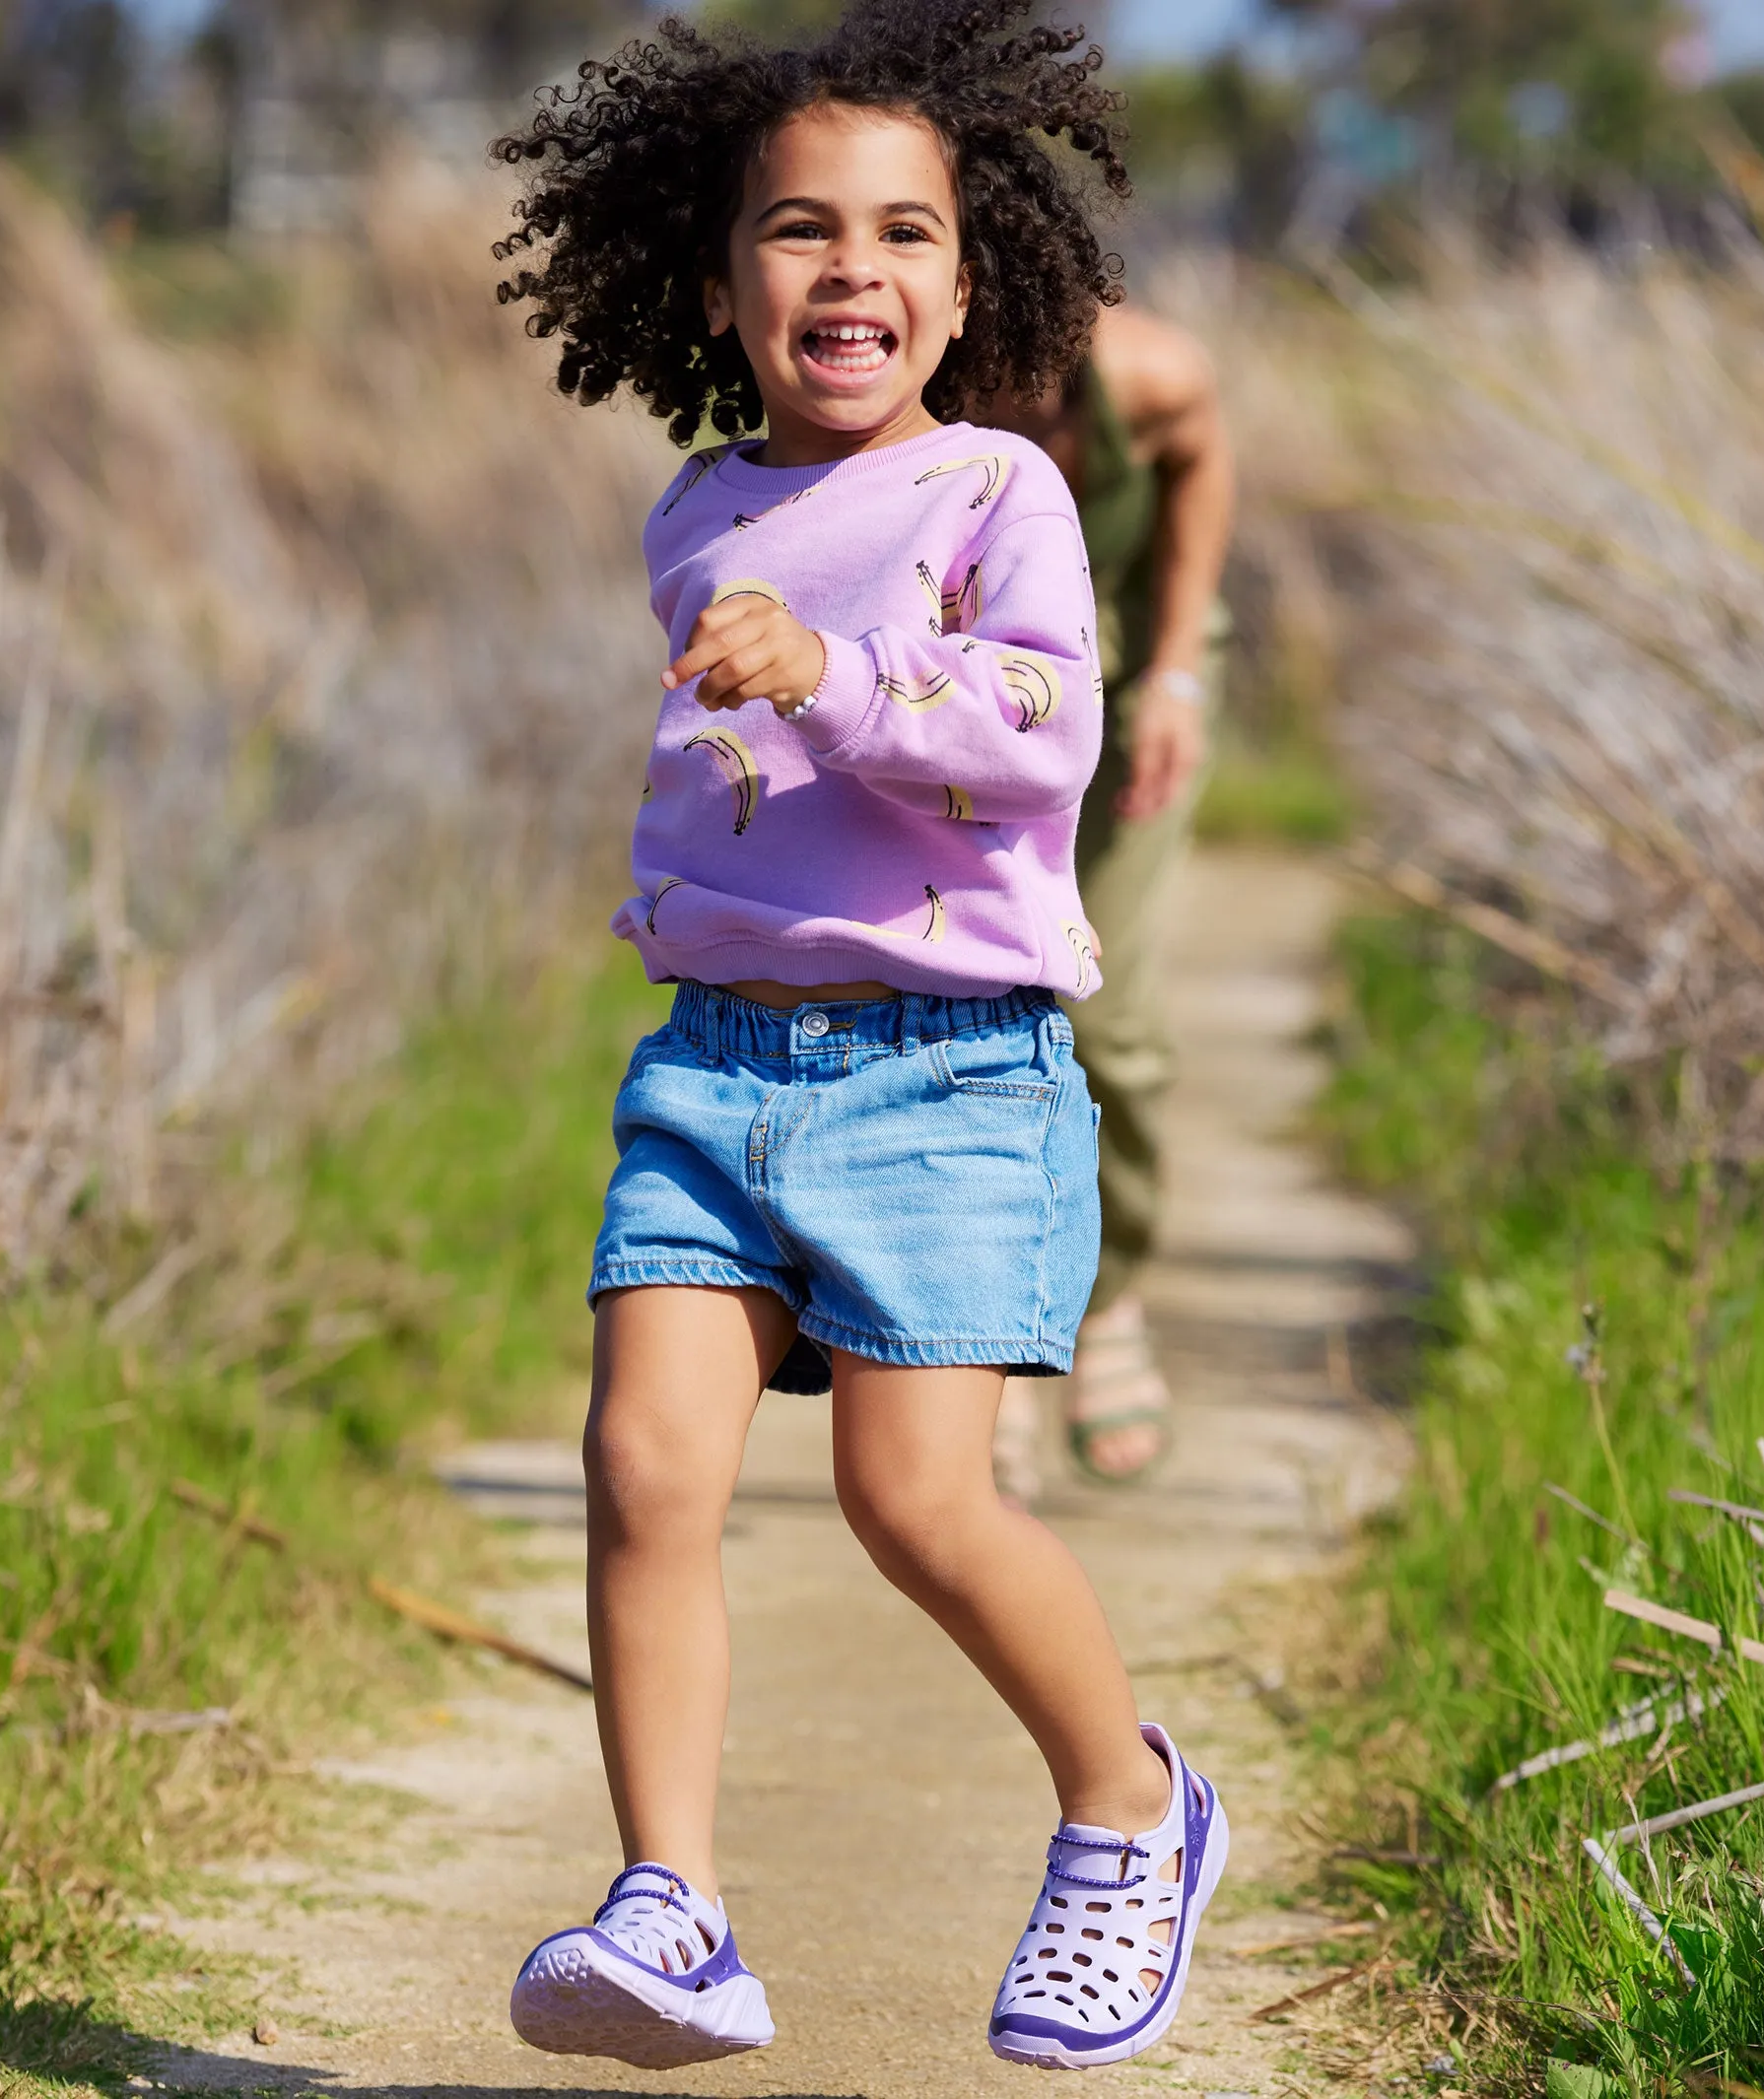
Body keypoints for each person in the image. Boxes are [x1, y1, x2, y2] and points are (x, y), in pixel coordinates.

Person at [488, 2, 1227, 2075]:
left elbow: (1037, 737)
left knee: (920, 1505)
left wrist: (831, 670)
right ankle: (676, 1907)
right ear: (717, 279)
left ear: (969, 283)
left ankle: (1130, 1809)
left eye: (904, 235)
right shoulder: (692, 515)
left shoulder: (1000, 486)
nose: (853, 271)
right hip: (717, 1065)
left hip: (951, 1077)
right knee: (641, 1466)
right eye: (799, 232)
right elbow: (740, 784)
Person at [981, 307, 1236, 1496]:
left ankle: (1109, 1295)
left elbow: (1201, 468)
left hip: (1130, 685)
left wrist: (1179, 669)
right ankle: (982, 1356)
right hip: (966, 705)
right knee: (963, 1024)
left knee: (1104, 1022)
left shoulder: (1149, 378)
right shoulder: (900, 385)